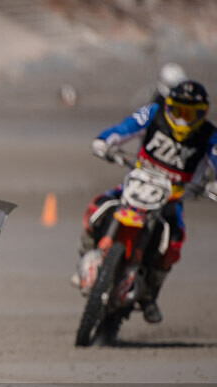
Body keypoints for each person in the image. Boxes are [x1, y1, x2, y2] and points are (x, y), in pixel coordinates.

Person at [81, 80, 217, 323]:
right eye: (179, 111)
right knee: (99, 206)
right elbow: (125, 128)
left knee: (173, 242)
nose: (184, 119)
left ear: (202, 114)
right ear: (169, 107)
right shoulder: (153, 114)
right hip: (136, 185)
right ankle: (88, 251)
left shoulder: (209, 137)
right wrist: (104, 142)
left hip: (171, 199)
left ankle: (149, 295)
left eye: (190, 113)